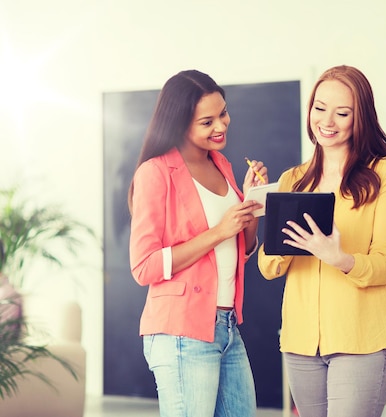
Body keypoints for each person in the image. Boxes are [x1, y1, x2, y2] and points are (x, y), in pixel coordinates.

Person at [257, 65, 386, 417]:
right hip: (300, 341)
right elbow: (268, 267)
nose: (327, 121)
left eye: (342, 113)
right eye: (319, 108)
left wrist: (339, 257)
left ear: (362, 118)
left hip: (363, 340)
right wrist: (276, 235)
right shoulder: (292, 179)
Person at [127, 69, 268, 417]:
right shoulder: (155, 173)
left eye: (223, 113)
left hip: (227, 327)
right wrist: (219, 231)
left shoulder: (222, 166)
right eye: (207, 121)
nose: (221, 125)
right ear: (180, 123)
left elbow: (238, 251)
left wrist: (250, 205)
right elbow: (144, 267)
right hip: (181, 332)